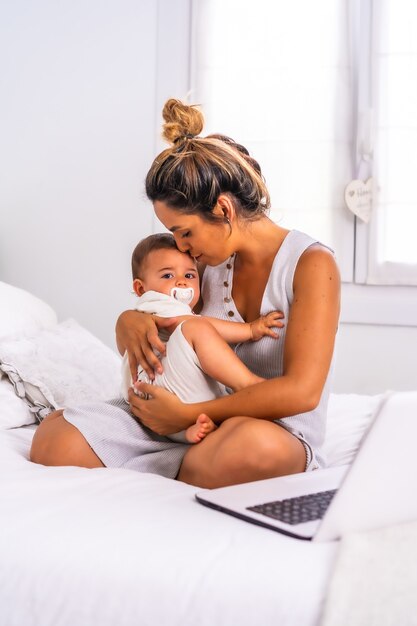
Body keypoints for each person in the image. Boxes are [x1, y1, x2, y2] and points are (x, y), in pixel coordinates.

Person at [30, 98, 340, 489]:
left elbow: (303, 392)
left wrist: (187, 414)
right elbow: (166, 317)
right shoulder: (205, 260)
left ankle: (164, 464)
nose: (181, 246)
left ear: (224, 210)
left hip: (263, 427)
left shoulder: (311, 265)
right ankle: (185, 464)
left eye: (185, 232)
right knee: (55, 438)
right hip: (184, 420)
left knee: (253, 447)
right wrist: (130, 320)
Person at [121, 232, 283, 443]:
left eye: (189, 276)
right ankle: (250, 386)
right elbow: (193, 325)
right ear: (141, 288)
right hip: (155, 383)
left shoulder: (168, 309)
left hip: (160, 394)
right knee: (196, 327)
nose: (181, 283)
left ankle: (189, 432)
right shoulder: (154, 304)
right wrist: (250, 330)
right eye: (168, 276)